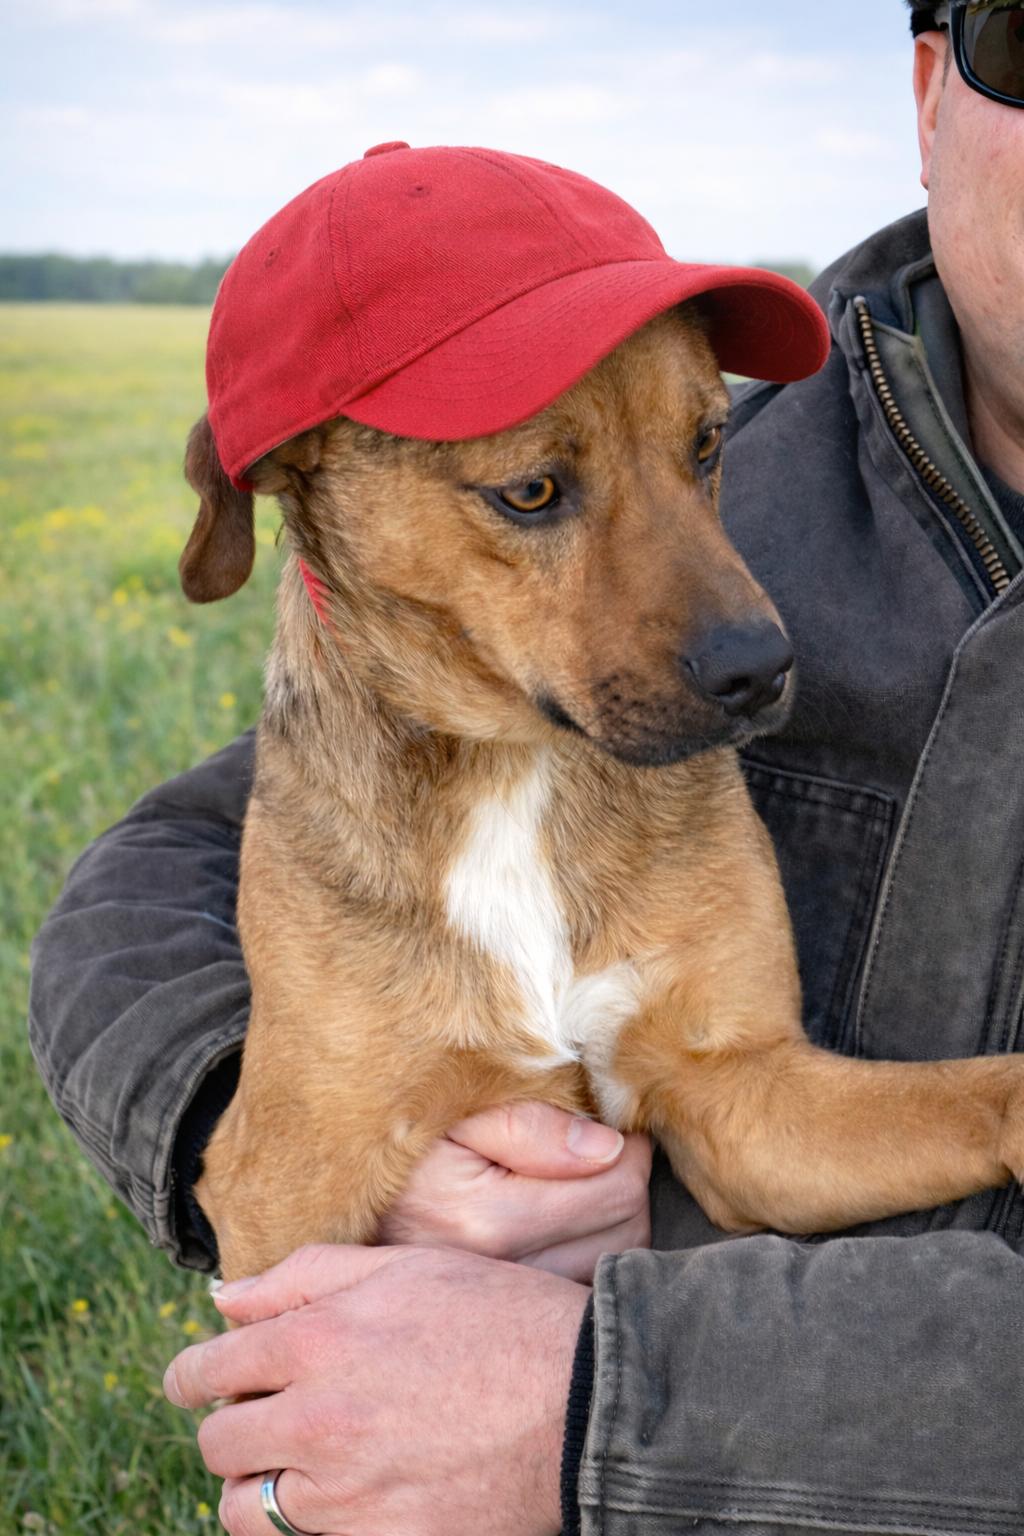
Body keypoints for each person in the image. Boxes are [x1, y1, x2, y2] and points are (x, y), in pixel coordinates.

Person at [28, 2, 1024, 1531]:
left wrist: (593, 1398)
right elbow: (148, 895)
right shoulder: (384, 762)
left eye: (698, 449)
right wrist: (266, 1109)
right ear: (296, 489)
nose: (738, 628)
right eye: (537, 489)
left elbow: (748, 1111)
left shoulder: (667, 710)